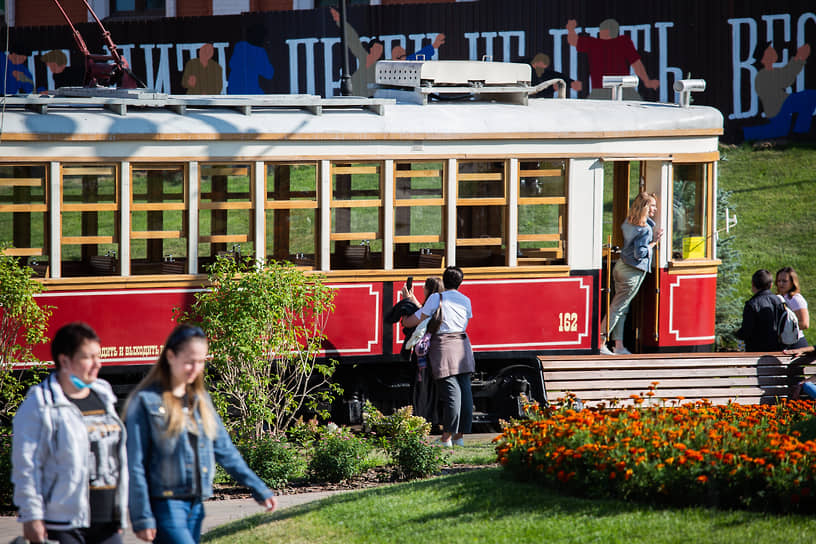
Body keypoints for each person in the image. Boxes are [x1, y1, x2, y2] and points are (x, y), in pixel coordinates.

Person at [124, 324, 276, 543]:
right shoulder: (145, 402)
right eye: (189, 362)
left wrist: (259, 487)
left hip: (196, 505)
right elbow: (134, 465)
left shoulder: (201, 400)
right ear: (170, 356)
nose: (195, 369)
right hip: (166, 504)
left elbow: (225, 451)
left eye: (201, 361)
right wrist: (142, 517)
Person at [12, 322, 128, 544]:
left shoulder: (103, 394)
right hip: (64, 524)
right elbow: (27, 465)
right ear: (65, 360)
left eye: (98, 356)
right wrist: (32, 515)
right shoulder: (41, 403)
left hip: (107, 522)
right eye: (88, 357)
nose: (98, 364)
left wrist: (120, 514)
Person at [401, 266, 474, 447]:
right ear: (460, 282)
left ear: (444, 279)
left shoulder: (436, 297)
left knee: (451, 392)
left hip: (443, 346)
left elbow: (416, 319)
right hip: (463, 343)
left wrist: (405, 307)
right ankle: (459, 437)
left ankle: (446, 438)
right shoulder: (465, 300)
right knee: (464, 390)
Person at [599, 192, 663, 355]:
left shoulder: (630, 222)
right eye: (653, 206)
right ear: (645, 207)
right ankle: (600, 342)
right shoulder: (646, 228)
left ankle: (618, 345)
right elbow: (639, 253)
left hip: (620, 267)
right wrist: (654, 243)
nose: (655, 209)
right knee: (617, 308)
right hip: (632, 273)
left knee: (621, 307)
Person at [566, 18, 659, 100]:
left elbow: (573, 40)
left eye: (602, 30)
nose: (600, 32)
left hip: (609, 91)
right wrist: (647, 81)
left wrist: (570, 29)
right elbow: (636, 64)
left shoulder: (595, 44)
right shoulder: (622, 42)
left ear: (606, 31)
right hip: (617, 90)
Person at [744, 43, 816, 140]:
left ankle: (800, 131)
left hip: (782, 104)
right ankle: (744, 133)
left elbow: (786, 76)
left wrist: (799, 59)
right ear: (763, 58)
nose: (773, 51)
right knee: (779, 130)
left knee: (809, 97)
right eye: (769, 50)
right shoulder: (763, 75)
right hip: (778, 108)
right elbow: (785, 78)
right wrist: (799, 58)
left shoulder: (772, 72)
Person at [330, 7, 383, 97]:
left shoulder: (379, 67)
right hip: (354, 95)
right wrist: (339, 20)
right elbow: (352, 38)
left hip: (367, 100)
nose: (378, 53)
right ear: (371, 49)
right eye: (376, 49)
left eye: (380, 51)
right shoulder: (364, 56)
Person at [736, 269, 786, 352]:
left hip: (756, 351)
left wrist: (737, 334)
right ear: (771, 285)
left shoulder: (752, 304)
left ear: (753, 284)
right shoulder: (779, 301)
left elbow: (747, 331)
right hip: (778, 350)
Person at [776, 266, 810, 349]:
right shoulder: (780, 297)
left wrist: (786, 329)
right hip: (784, 342)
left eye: (784, 281)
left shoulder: (795, 299)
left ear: (792, 282)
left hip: (796, 343)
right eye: (778, 281)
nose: (781, 284)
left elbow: (805, 324)